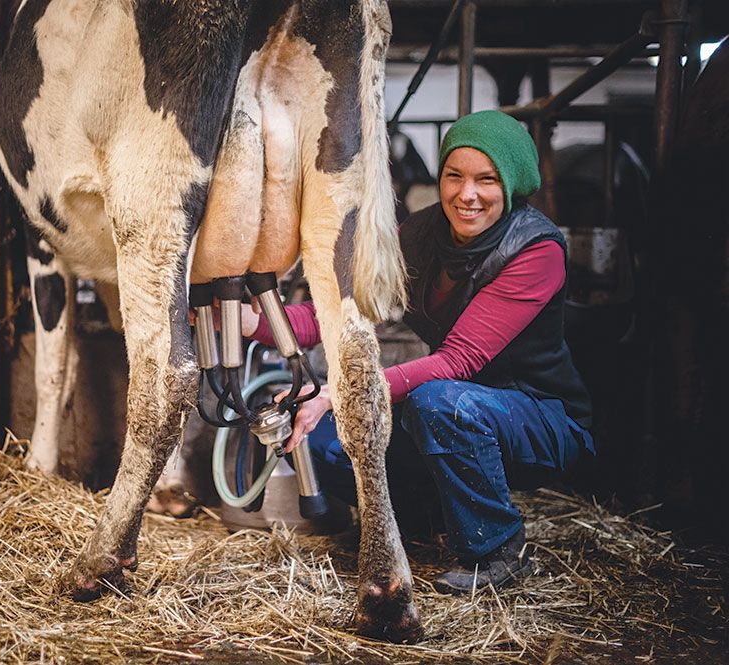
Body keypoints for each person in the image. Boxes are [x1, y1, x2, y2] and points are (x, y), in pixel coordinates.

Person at [241, 110, 594, 594]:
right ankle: (423, 521)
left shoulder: (535, 249)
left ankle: (496, 550)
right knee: (325, 435)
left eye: (486, 180)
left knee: (438, 401)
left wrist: (342, 391)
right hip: (454, 408)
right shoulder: (421, 236)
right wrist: (252, 322)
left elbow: (458, 363)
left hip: (538, 417)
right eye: (455, 176)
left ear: (510, 184)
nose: (466, 195)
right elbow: (344, 310)